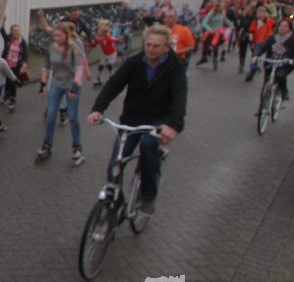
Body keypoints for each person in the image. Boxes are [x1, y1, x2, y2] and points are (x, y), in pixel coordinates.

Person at [87, 24, 187, 216]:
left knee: (149, 146)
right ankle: (115, 201)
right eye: (148, 45)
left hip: (159, 119)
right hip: (132, 118)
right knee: (116, 161)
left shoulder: (175, 67)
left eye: (156, 46)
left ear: (166, 47)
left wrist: (174, 126)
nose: (151, 49)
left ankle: (148, 195)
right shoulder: (134, 63)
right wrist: (98, 109)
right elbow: (114, 85)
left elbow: (180, 96)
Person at [36, 18, 87, 165]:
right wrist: (43, 84)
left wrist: (75, 85)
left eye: (59, 35)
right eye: (55, 35)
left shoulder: (74, 48)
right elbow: (46, 67)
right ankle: (47, 144)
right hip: (56, 84)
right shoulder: (51, 48)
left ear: (66, 35)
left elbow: (79, 68)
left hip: (72, 86)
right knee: (51, 115)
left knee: (72, 116)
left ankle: (77, 147)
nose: (56, 38)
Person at [260, 18, 294, 100]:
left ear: (289, 28)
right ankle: (262, 106)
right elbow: (263, 47)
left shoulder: (293, 38)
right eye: (280, 25)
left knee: (279, 76)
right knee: (266, 84)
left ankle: (284, 91)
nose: (282, 28)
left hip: (286, 63)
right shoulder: (272, 37)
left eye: (285, 26)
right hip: (272, 61)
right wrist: (255, 55)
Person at [0, 16, 29, 111]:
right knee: (6, 82)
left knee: (12, 82)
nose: (16, 32)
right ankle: (7, 94)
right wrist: (3, 20)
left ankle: (12, 99)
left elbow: (26, 54)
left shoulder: (23, 42)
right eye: (14, 30)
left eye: (17, 30)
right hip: (6, 65)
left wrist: (24, 64)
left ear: (20, 31)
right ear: (11, 32)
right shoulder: (8, 39)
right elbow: (2, 31)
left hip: (16, 66)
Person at [244, 5, 278, 81]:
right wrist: (251, 42)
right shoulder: (255, 22)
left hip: (268, 42)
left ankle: (268, 73)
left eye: (262, 12)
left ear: (265, 13)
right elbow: (251, 32)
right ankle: (253, 71)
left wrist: (274, 36)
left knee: (269, 58)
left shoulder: (270, 21)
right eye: (259, 12)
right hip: (258, 41)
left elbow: (275, 28)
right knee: (255, 56)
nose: (260, 14)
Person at [92, 19, 124, 87]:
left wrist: (122, 42)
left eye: (99, 31)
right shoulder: (98, 39)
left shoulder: (108, 38)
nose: (98, 32)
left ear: (103, 32)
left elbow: (116, 40)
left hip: (112, 53)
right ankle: (99, 79)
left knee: (109, 65)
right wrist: (90, 45)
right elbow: (94, 44)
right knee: (101, 66)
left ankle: (112, 77)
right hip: (104, 53)